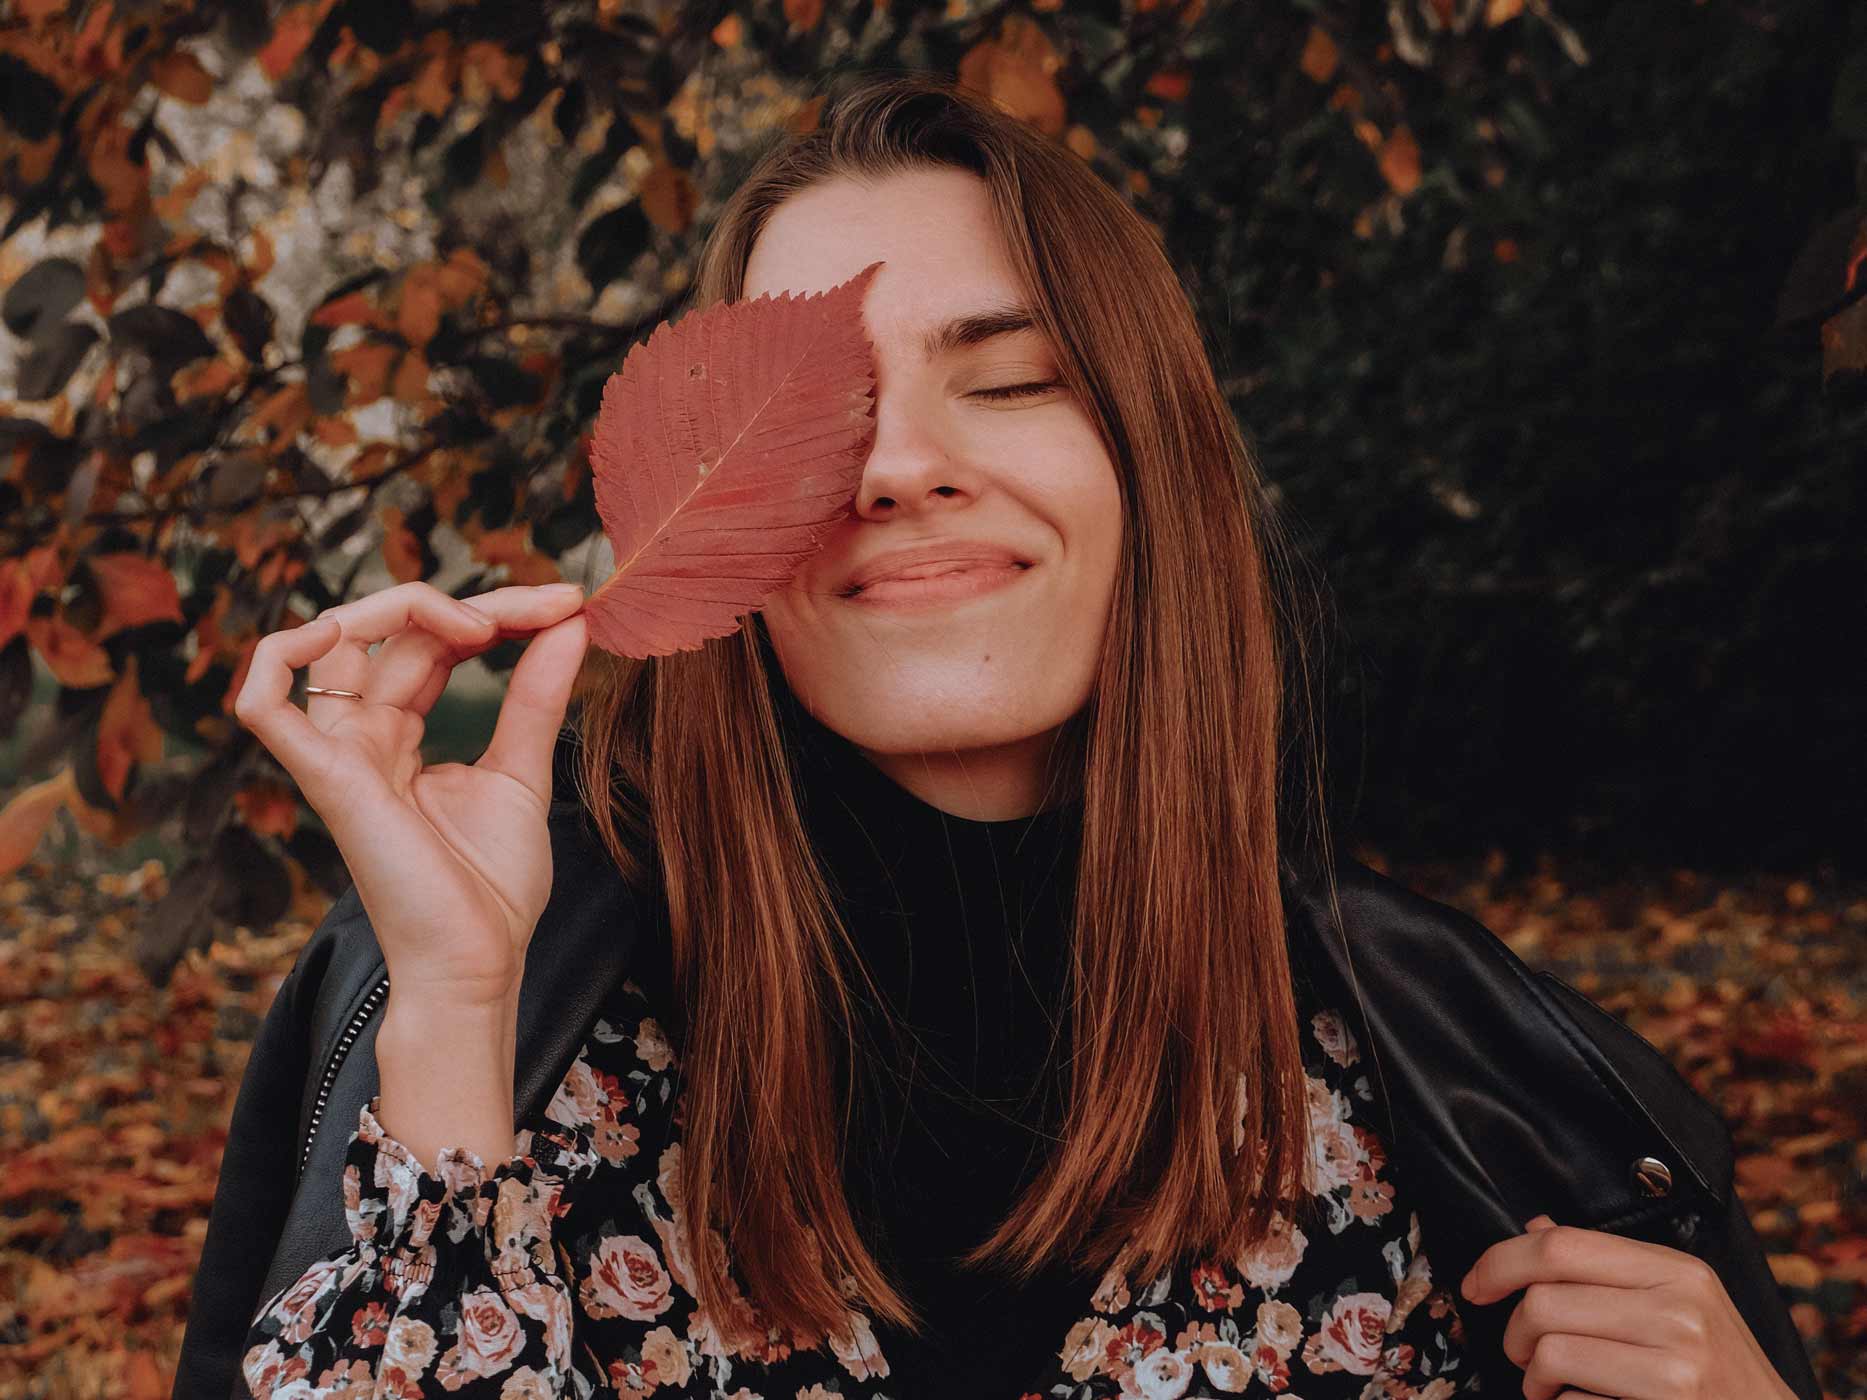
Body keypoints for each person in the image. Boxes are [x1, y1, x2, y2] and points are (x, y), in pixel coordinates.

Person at [214, 72, 1812, 1399]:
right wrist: (451, 1012)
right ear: (716, 530)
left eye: (1016, 380)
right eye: (816, 419)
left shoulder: (1467, 1082)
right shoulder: (490, 1017)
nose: (900, 465)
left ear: (1152, 467)